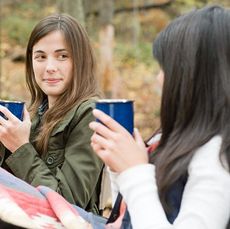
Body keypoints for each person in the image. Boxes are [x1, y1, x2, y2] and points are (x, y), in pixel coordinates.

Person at [89, 5, 230, 228]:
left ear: (193, 75)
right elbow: (136, 212)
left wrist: (133, 172)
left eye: (165, 69)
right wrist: (119, 169)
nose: (158, 79)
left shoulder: (216, 156)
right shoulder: (171, 139)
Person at [0, 13, 104, 214]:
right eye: (40, 57)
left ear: (81, 61)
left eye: (62, 56)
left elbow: (68, 202)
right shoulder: (35, 113)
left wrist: (20, 147)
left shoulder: (90, 114)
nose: (49, 67)